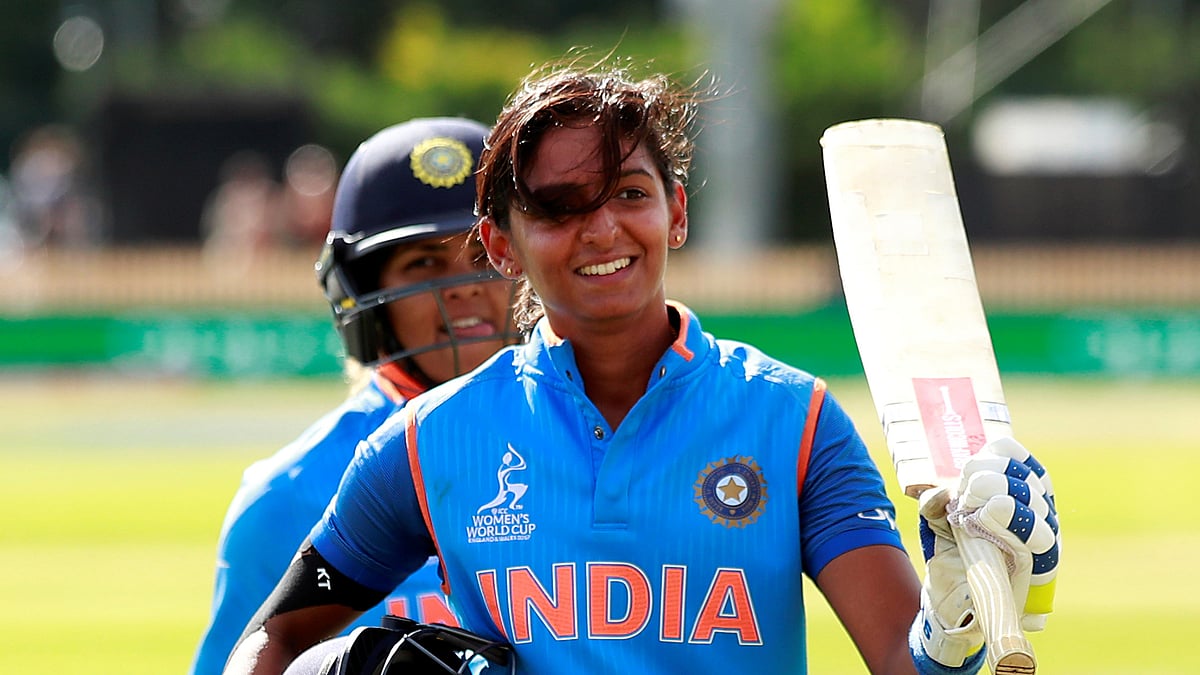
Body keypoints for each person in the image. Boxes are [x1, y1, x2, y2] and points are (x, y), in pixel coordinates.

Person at [223, 57, 1060, 675]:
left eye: (628, 192)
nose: (602, 229)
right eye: (558, 208)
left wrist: (952, 619)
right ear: (501, 246)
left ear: (676, 211)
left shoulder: (794, 422)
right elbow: (272, 636)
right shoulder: (427, 442)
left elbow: (907, 661)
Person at [190, 117, 520, 675]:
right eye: (423, 263)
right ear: (364, 293)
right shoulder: (285, 499)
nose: (463, 286)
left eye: (483, 257)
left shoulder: (605, 441)